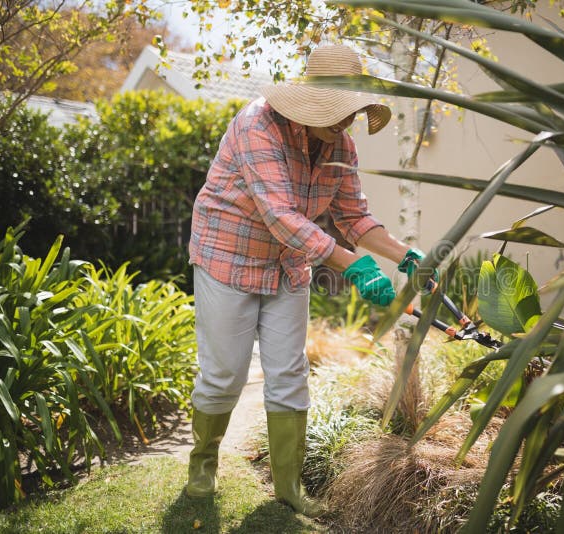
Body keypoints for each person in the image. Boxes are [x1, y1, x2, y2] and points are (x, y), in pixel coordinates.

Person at [184, 44, 431, 517]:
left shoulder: (342, 145)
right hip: (228, 258)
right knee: (225, 373)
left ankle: (289, 486)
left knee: (290, 372)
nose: (344, 123)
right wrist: (354, 266)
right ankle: (203, 464)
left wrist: (406, 256)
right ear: (308, 103)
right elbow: (279, 215)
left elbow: (354, 216)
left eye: (350, 113)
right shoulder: (258, 124)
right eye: (335, 112)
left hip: (288, 265)